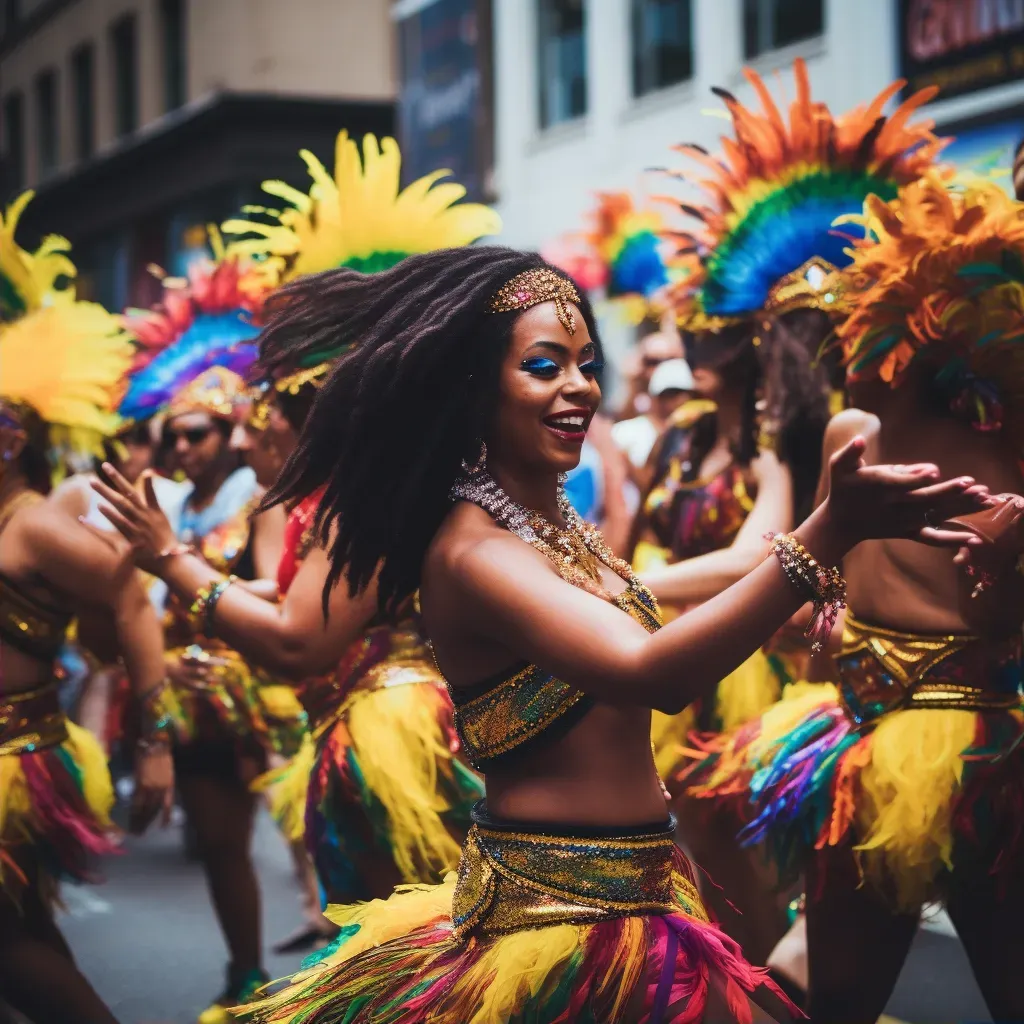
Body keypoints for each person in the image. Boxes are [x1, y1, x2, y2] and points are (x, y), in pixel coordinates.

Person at [181, 245, 987, 1024]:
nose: (579, 389)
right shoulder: (474, 551)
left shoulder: (556, 524)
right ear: (473, 388)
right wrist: (824, 536)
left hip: (640, 897)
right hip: (558, 929)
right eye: (543, 366)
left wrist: (812, 612)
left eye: (586, 364)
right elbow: (652, 672)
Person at [95, 130, 497, 926]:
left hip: (398, 735)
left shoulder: (364, 496)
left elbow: (295, 640)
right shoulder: (351, 491)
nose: (246, 436)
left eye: (262, 409)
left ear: (310, 406)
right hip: (363, 725)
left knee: (419, 954)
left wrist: (172, 562)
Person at [624, 59, 951, 965]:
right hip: (823, 670)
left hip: (853, 689)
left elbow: (760, 555)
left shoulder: (862, 421)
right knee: (753, 867)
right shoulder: (735, 432)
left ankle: (761, 980)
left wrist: (629, 583)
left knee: (785, 895)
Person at [684, 175, 1024, 1023]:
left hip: (893, 747)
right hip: (943, 748)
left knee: (835, 1000)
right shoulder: (901, 438)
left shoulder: (857, 430)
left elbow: (812, 607)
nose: (849, 352)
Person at [0, 192, 174, 1024]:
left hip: (13, 761)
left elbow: (133, 596)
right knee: (20, 940)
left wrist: (155, 740)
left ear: (11, 438)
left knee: (13, 946)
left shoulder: (32, 528)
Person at [611, 356, 694, 484]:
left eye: (681, 393)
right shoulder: (623, 432)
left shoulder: (696, 434)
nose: (678, 400)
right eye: (670, 394)